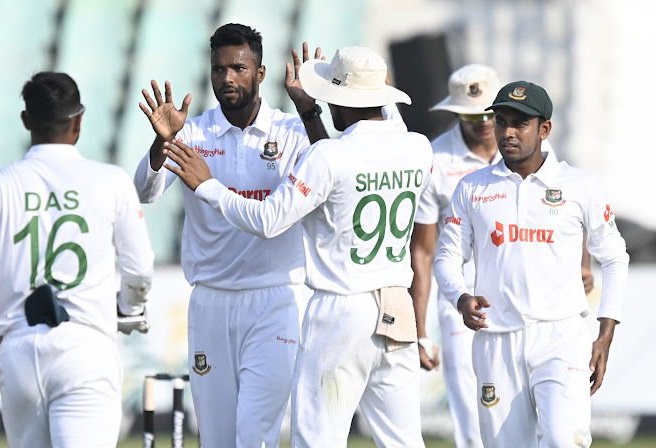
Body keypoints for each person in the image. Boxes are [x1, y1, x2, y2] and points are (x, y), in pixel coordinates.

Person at [161, 46, 431, 448]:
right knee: (404, 441)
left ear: (341, 100)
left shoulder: (330, 156)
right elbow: (346, 164)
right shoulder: (418, 148)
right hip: (397, 307)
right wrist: (311, 112)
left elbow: (269, 220)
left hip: (340, 310)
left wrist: (208, 186)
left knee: (318, 440)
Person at [133, 24, 330, 447]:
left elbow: (332, 173)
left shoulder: (291, 132)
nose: (227, 78)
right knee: (218, 439)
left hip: (276, 300)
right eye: (219, 69)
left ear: (259, 74)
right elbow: (144, 193)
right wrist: (159, 143)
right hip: (211, 302)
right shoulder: (193, 133)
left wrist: (310, 111)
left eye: (238, 68)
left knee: (255, 435)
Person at [0, 72, 155, 447]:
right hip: (85, 349)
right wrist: (128, 309)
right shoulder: (111, 180)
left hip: (19, 353)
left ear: (26, 120)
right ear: (78, 120)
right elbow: (138, 271)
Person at [433, 81, 629, 447]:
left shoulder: (579, 185)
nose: (507, 132)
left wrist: (605, 335)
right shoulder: (472, 187)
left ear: (544, 129)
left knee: (561, 439)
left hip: (560, 337)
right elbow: (446, 255)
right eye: (501, 120)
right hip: (495, 340)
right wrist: (460, 298)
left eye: (520, 123)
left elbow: (615, 257)